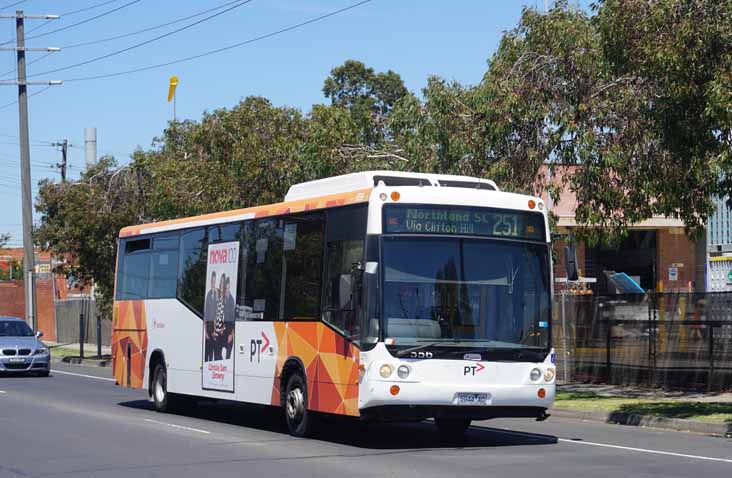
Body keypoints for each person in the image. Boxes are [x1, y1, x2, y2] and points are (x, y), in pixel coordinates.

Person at [203, 271, 218, 362]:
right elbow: (205, 314)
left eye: (214, 282)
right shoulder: (208, 295)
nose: (213, 284)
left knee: (212, 350)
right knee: (207, 352)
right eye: (212, 282)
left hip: (213, 327)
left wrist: (215, 330)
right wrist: (206, 332)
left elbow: (217, 312)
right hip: (208, 326)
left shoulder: (216, 294)